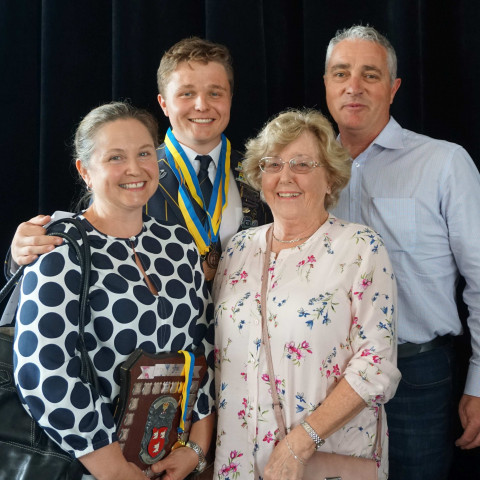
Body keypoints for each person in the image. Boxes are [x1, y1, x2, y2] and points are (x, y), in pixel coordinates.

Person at [13, 101, 215, 480]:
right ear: (85, 171)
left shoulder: (178, 243)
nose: (135, 169)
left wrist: (195, 449)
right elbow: (44, 372)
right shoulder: (61, 247)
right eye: (115, 157)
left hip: (171, 461)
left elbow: (200, 350)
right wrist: (115, 470)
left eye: (144, 153)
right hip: (90, 468)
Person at [324, 25, 480, 479]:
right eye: (341, 73)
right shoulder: (305, 169)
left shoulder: (443, 163)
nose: (353, 86)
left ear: (393, 88)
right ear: (327, 84)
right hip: (323, 378)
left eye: (370, 74)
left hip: (415, 375)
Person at [212, 108, 401, 480]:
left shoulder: (361, 247)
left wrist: (301, 442)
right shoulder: (238, 248)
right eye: (273, 164)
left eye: (302, 164)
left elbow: (376, 366)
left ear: (331, 178)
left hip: (321, 457)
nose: (285, 177)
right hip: (236, 459)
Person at [8, 37, 271, 281]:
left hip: (241, 326)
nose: (201, 105)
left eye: (215, 93)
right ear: (164, 103)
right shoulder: (130, 173)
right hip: (157, 325)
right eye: (186, 94)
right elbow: (83, 250)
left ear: (230, 99)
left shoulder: (261, 172)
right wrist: (20, 255)